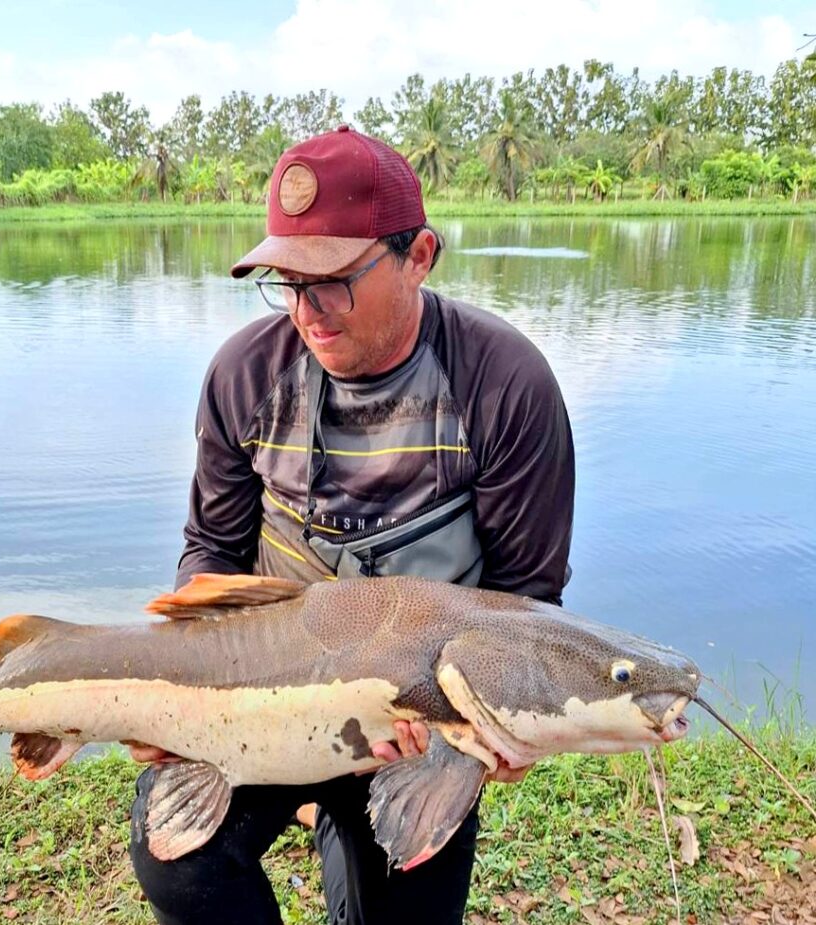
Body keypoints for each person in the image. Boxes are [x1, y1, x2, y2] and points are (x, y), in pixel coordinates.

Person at [128, 125, 575, 925]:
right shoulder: (245, 375)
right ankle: (317, 803)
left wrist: (494, 729)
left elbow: (526, 602)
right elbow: (213, 547)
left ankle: (342, 819)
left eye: (333, 281)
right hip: (265, 692)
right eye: (288, 283)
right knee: (179, 864)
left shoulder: (503, 385)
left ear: (419, 256)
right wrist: (184, 689)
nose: (308, 312)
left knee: (401, 893)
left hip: (422, 720)